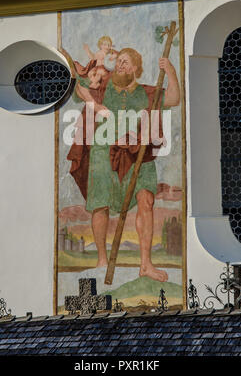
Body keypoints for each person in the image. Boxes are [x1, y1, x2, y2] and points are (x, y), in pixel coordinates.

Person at [67, 47, 180, 282]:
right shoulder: (102, 89)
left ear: (136, 69)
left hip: (139, 154)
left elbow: (173, 98)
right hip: (102, 152)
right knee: (100, 204)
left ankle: (146, 264)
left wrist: (170, 71)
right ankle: (101, 260)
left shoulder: (147, 93)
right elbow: (79, 89)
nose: (120, 66)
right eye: (119, 61)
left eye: (126, 63)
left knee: (146, 200)